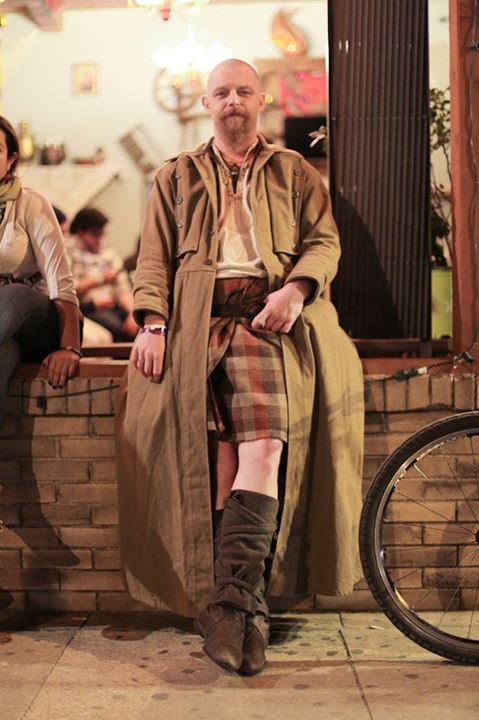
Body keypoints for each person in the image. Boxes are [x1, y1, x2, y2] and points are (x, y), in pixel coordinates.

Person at [116, 59, 364, 675]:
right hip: (196, 326)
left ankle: (229, 606)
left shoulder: (295, 170)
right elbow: (153, 259)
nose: (233, 100)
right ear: (206, 103)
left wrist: (297, 291)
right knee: (215, 461)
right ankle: (242, 612)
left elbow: (324, 242)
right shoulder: (174, 176)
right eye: (222, 91)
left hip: (265, 320)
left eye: (243, 91)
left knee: (265, 449)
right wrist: (153, 323)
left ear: (262, 100)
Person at [0, 116, 82, 424]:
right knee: (4, 355)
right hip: (6, 336)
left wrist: (70, 346)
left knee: (14, 295)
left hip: (38, 318)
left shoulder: (30, 202)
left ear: (11, 159)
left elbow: (60, 278)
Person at [67, 207, 137, 342]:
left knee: (140, 324)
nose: (99, 239)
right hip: (87, 307)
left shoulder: (107, 252)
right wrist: (99, 280)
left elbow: (123, 288)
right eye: (94, 235)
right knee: (117, 329)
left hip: (113, 305)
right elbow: (69, 289)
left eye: (102, 234)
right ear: (80, 232)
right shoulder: (68, 251)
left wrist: (132, 313)